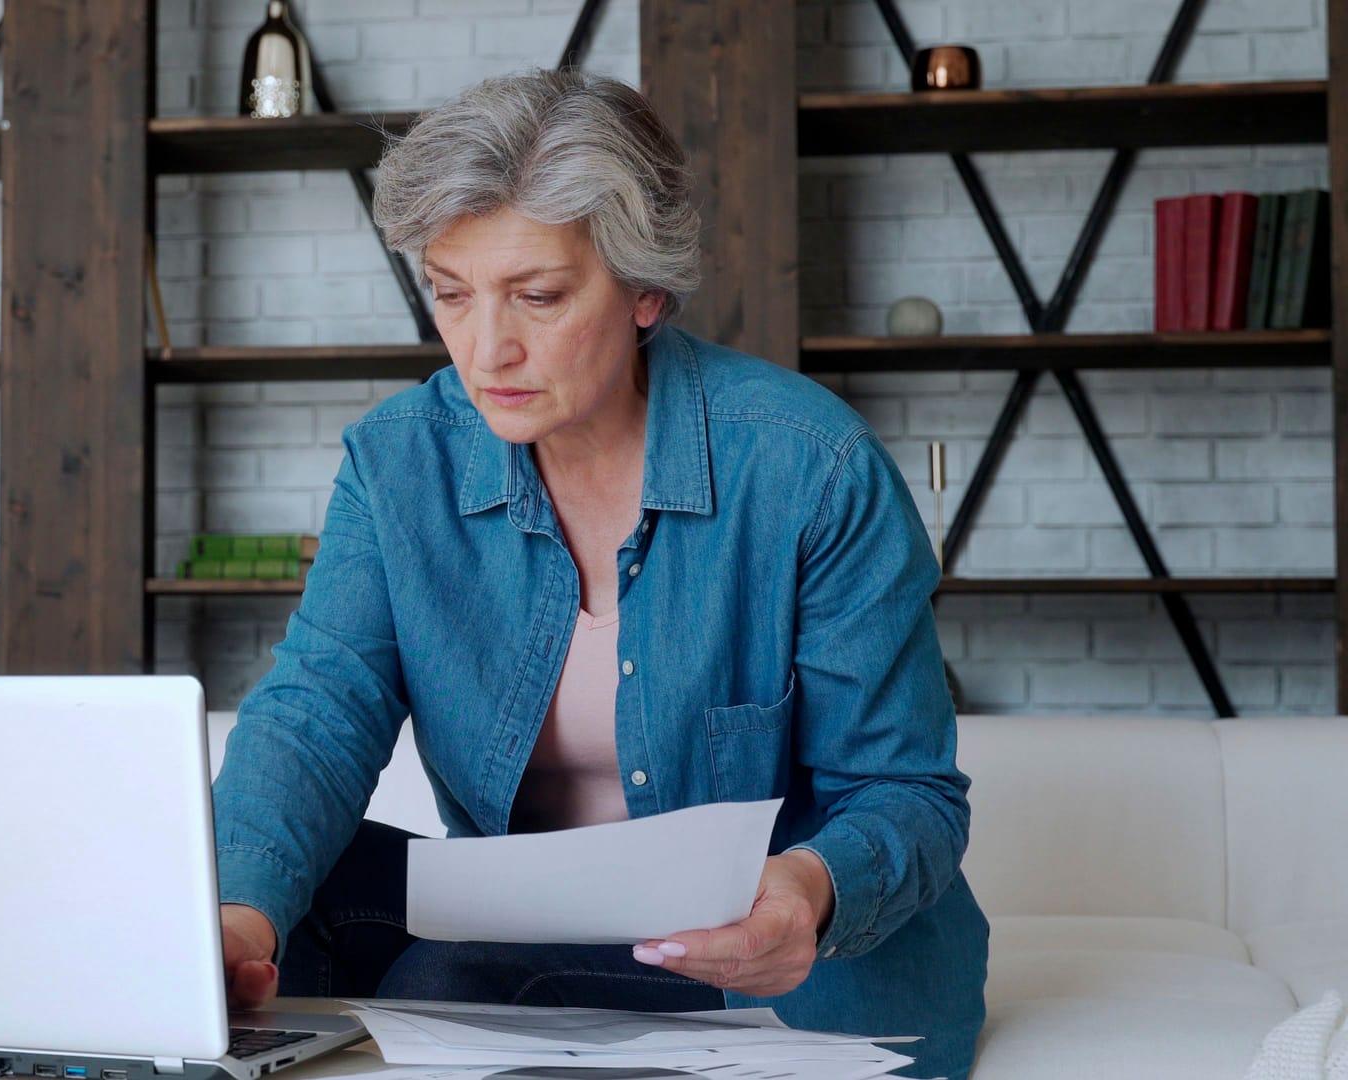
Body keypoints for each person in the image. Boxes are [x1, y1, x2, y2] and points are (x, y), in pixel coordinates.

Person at [208, 68, 988, 1080]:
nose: (488, 349)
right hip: (535, 929)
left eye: (538, 295)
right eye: (451, 294)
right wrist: (236, 912)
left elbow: (906, 793)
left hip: (767, 954)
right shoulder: (399, 463)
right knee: (269, 888)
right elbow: (319, 709)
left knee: (435, 986)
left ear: (645, 290)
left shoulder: (809, 468)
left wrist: (807, 891)